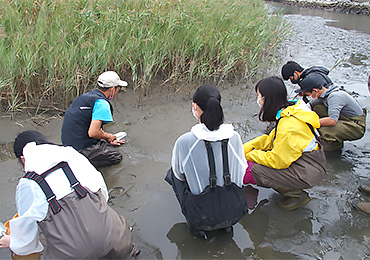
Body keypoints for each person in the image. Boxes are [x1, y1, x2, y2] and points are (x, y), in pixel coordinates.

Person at [0, 130, 139, 259]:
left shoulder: (28, 183)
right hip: (119, 242)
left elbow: (26, 242)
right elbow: (102, 193)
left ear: (23, 158)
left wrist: (13, 242)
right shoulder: (72, 155)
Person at [165, 85, 248, 238]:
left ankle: (198, 226)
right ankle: (226, 226)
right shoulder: (235, 137)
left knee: (172, 174)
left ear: (194, 107)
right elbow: (242, 169)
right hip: (233, 210)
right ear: (220, 106)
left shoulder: (185, 141)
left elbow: (178, 175)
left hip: (201, 213)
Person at [243, 76, 326, 210]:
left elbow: (278, 161)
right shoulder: (291, 110)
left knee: (255, 170)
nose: (258, 100)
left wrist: (251, 155)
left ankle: (295, 194)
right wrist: (244, 149)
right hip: (310, 161)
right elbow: (270, 139)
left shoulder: (289, 126)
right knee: (261, 154)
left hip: (308, 171)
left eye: (259, 96)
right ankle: (291, 187)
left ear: (267, 98)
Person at [61, 71, 127, 167]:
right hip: (79, 148)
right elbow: (93, 133)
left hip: (67, 143)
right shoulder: (102, 104)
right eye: (118, 88)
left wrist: (106, 138)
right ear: (112, 89)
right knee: (116, 156)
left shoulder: (85, 97)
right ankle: (83, 164)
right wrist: (108, 136)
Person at [296, 73, 366, 151]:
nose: (308, 97)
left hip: (356, 126)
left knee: (321, 131)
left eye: (307, 94)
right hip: (345, 119)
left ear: (315, 91)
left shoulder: (334, 97)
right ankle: (336, 142)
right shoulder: (324, 93)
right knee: (318, 107)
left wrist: (309, 123)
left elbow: (332, 121)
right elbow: (309, 106)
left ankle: (330, 150)